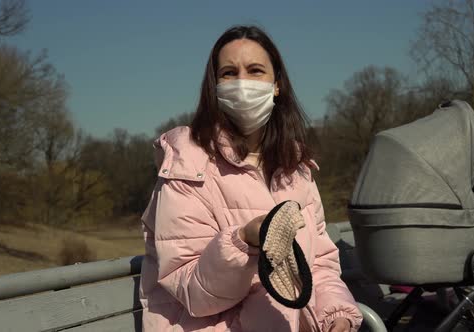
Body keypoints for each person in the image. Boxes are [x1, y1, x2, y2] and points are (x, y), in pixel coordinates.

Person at [139, 25, 362, 332]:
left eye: (255, 70)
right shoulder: (188, 165)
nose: (242, 83)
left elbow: (320, 262)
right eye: (229, 73)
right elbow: (192, 293)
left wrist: (336, 313)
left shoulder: (295, 168)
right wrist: (243, 240)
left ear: (276, 84)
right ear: (214, 87)